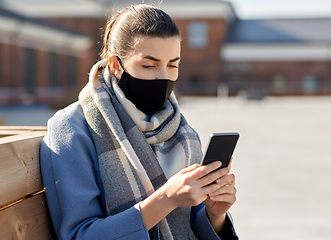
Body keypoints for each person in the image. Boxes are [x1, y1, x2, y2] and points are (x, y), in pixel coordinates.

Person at [40, 4, 238, 240]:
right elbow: (79, 235)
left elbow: (192, 219)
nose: (164, 77)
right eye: (149, 65)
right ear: (116, 66)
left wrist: (216, 215)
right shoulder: (72, 128)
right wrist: (166, 199)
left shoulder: (181, 130)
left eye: (173, 65)